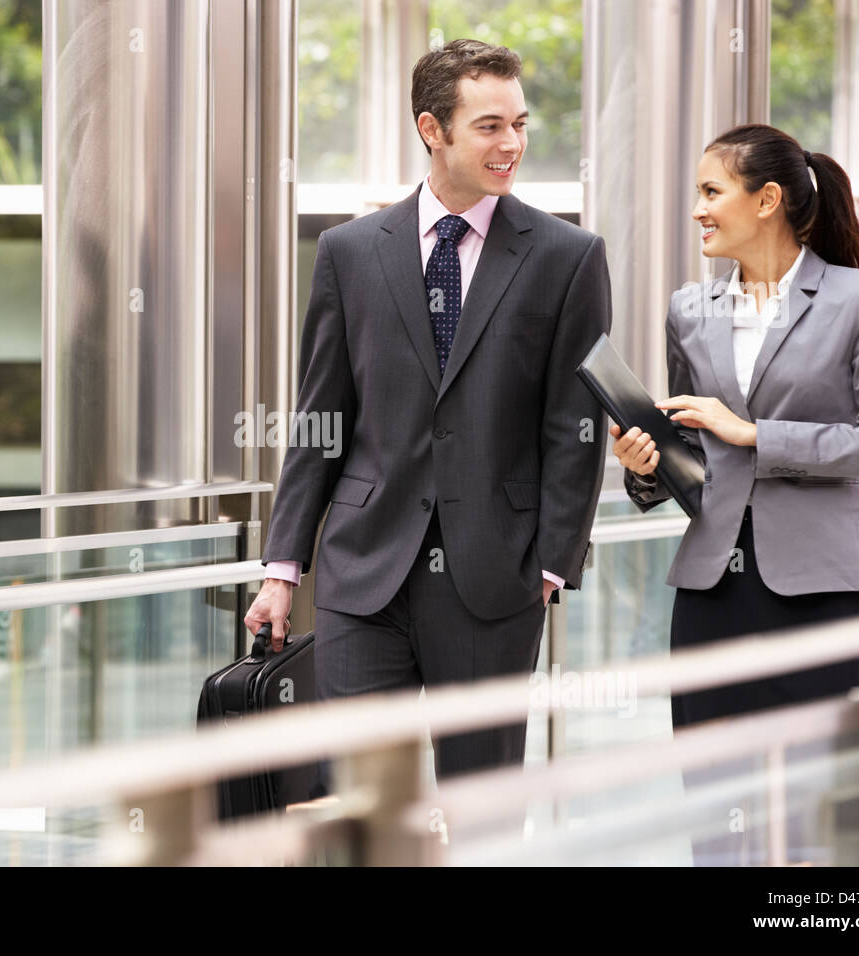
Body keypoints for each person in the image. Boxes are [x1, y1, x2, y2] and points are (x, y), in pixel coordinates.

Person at [244, 39, 610, 787]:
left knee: (482, 804)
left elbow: (573, 425)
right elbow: (321, 415)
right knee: (361, 801)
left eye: (519, 123)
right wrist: (283, 568)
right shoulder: (349, 251)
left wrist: (551, 563)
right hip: (362, 573)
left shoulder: (567, 256)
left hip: (495, 576)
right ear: (432, 129)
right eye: (488, 126)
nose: (511, 143)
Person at [611, 123, 859, 731]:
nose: (699, 210)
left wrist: (756, 435)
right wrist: (646, 468)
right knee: (711, 788)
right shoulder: (689, 310)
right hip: (709, 590)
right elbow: (693, 449)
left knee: (822, 801)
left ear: (767, 199)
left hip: (820, 590)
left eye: (712, 192)